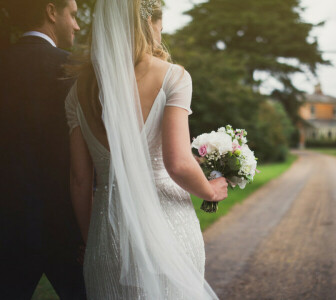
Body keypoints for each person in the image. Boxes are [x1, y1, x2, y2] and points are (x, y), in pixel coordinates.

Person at [64, 0, 227, 298]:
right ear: (149, 21)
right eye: (160, 21)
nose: (162, 29)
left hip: (105, 235)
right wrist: (211, 190)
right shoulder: (173, 77)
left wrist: (92, 242)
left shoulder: (78, 90)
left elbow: (78, 179)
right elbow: (177, 163)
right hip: (168, 227)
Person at [0, 0, 86, 299]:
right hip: (64, 224)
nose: (76, 25)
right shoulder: (72, 70)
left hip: (6, 227)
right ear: (51, 12)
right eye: (73, 15)